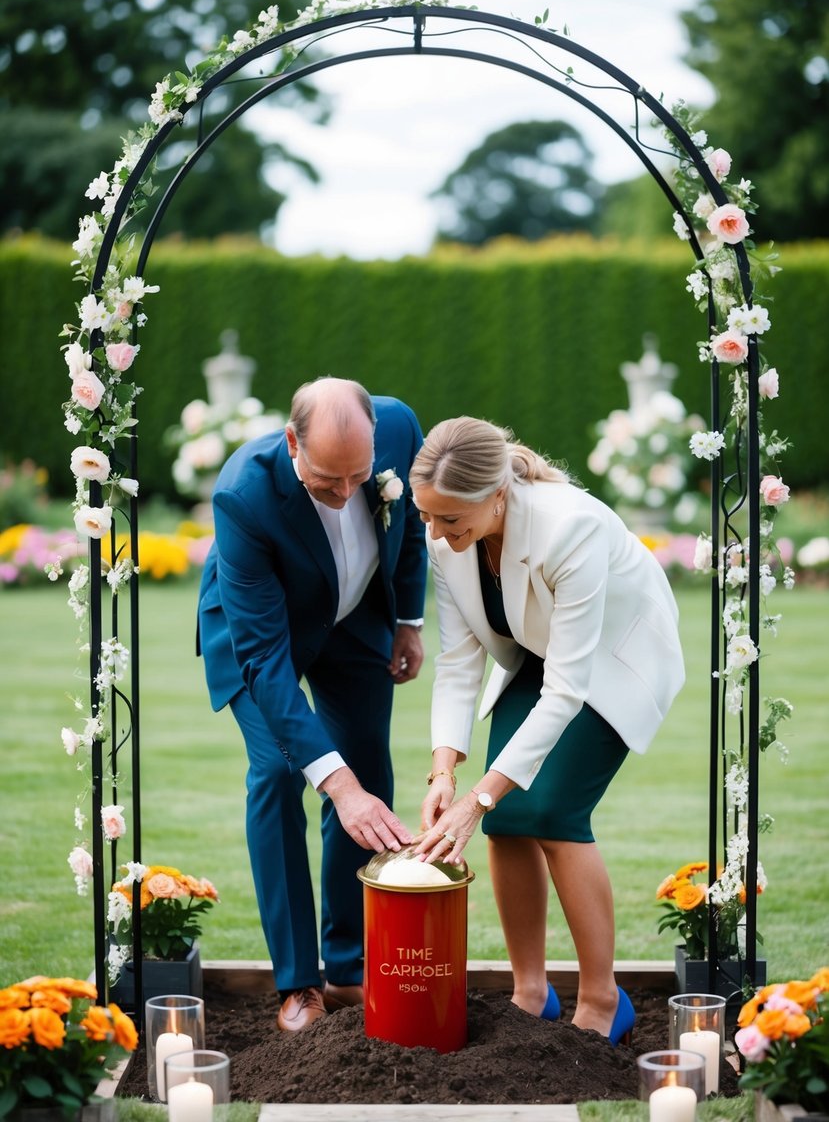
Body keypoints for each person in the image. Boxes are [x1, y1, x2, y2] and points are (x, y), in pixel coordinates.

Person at [409, 416, 685, 1045]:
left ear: (496, 495)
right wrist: (446, 770)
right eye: (427, 517)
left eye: (450, 519)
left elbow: (568, 690)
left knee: (555, 810)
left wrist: (478, 797)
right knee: (507, 822)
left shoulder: (572, 526)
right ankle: (530, 994)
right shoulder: (445, 539)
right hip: (539, 654)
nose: (437, 533)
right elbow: (458, 660)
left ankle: (601, 998)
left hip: (612, 663)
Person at [197, 377, 428, 1032]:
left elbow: (407, 524)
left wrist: (407, 619)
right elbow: (266, 665)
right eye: (328, 481)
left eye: (359, 478)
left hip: (355, 620)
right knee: (278, 771)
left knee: (368, 771)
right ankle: (298, 984)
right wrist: (336, 785)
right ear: (292, 441)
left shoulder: (400, 427)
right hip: (261, 633)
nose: (346, 493)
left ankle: (350, 965)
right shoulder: (244, 494)